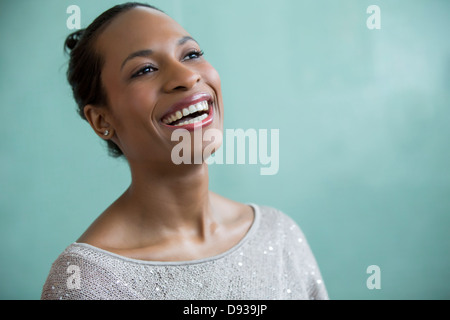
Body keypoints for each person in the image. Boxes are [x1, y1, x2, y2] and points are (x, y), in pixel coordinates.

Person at [41, 2, 328, 300]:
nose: (187, 77)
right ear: (102, 120)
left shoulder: (278, 236)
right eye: (145, 70)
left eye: (191, 54)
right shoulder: (83, 283)